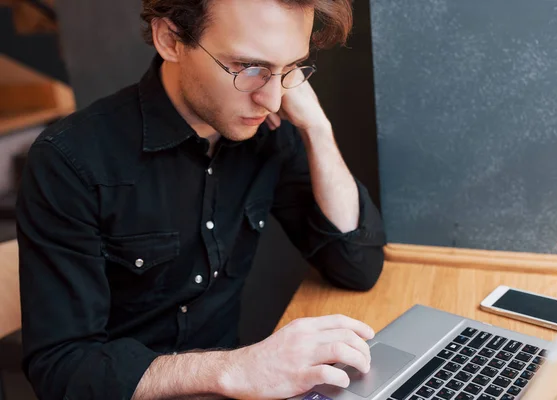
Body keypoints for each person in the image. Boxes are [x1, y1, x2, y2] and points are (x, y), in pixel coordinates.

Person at [16, 0, 387, 398]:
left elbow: (356, 265)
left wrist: (317, 128)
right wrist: (235, 368)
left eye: (291, 68)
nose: (274, 100)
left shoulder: (270, 129)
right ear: (170, 39)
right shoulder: (71, 161)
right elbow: (62, 369)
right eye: (250, 68)